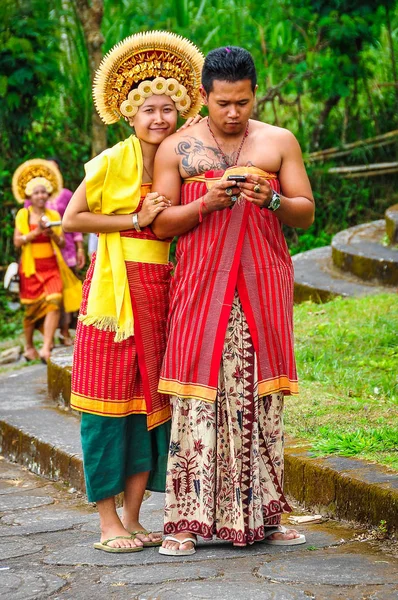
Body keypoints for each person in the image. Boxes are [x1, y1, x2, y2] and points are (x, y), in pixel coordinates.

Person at [151, 46, 315, 556]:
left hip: (262, 283)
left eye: (243, 101)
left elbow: (305, 213)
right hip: (201, 283)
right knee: (198, 393)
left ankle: (267, 512)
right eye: (223, 102)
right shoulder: (176, 149)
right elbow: (159, 224)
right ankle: (183, 521)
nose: (233, 112)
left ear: (253, 93)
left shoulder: (278, 141)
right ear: (203, 95)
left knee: (258, 394)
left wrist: (270, 199)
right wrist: (205, 203)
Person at [62, 31, 204, 553]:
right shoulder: (109, 163)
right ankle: (106, 524)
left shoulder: (182, 162)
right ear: (128, 113)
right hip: (113, 298)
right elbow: (72, 218)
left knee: (151, 406)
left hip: (164, 294)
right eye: (148, 109)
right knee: (105, 406)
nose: (158, 119)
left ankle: (134, 516)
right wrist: (129, 218)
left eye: (168, 109)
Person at [12, 160, 82, 363]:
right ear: (29, 196)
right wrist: (36, 232)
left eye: (44, 192)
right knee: (31, 312)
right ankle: (29, 346)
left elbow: (61, 243)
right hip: (31, 269)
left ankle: (45, 348)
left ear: (49, 193)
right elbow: (17, 242)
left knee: (54, 302)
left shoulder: (53, 215)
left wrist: (51, 233)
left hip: (52, 266)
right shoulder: (23, 215)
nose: (41, 196)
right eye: (36, 193)